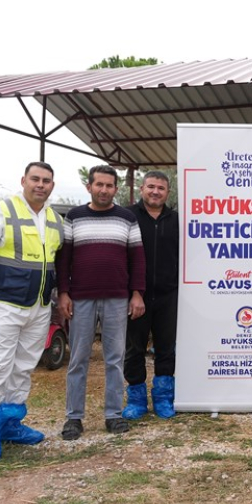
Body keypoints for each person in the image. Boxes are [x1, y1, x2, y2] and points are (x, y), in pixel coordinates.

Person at [0, 161, 64, 461]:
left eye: (46, 180)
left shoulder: (54, 219)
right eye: (35, 179)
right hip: (4, 305)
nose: (40, 185)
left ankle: (10, 425)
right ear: (23, 181)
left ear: (52, 185)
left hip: (39, 306)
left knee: (23, 367)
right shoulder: (1, 211)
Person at [56, 165, 146, 440]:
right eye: (99, 185)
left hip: (117, 297)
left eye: (109, 185)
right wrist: (63, 292)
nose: (104, 190)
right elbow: (64, 258)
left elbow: (137, 258)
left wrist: (137, 293)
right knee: (78, 359)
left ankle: (114, 415)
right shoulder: (74, 216)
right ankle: (74, 417)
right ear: (89, 187)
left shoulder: (127, 218)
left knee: (115, 359)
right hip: (80, 297)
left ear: (115, 189)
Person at [122, 171, 179, 420]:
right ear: (142, 189)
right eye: (151, 187)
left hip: (169, 295)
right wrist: (132, 292)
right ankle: (136, 400)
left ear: (168, 192)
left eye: (161, 188)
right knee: (134, 348)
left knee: (166, 347)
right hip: (136, 295)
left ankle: (164, 398)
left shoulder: (176, 220)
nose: (156, 192)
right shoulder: (127, 216)